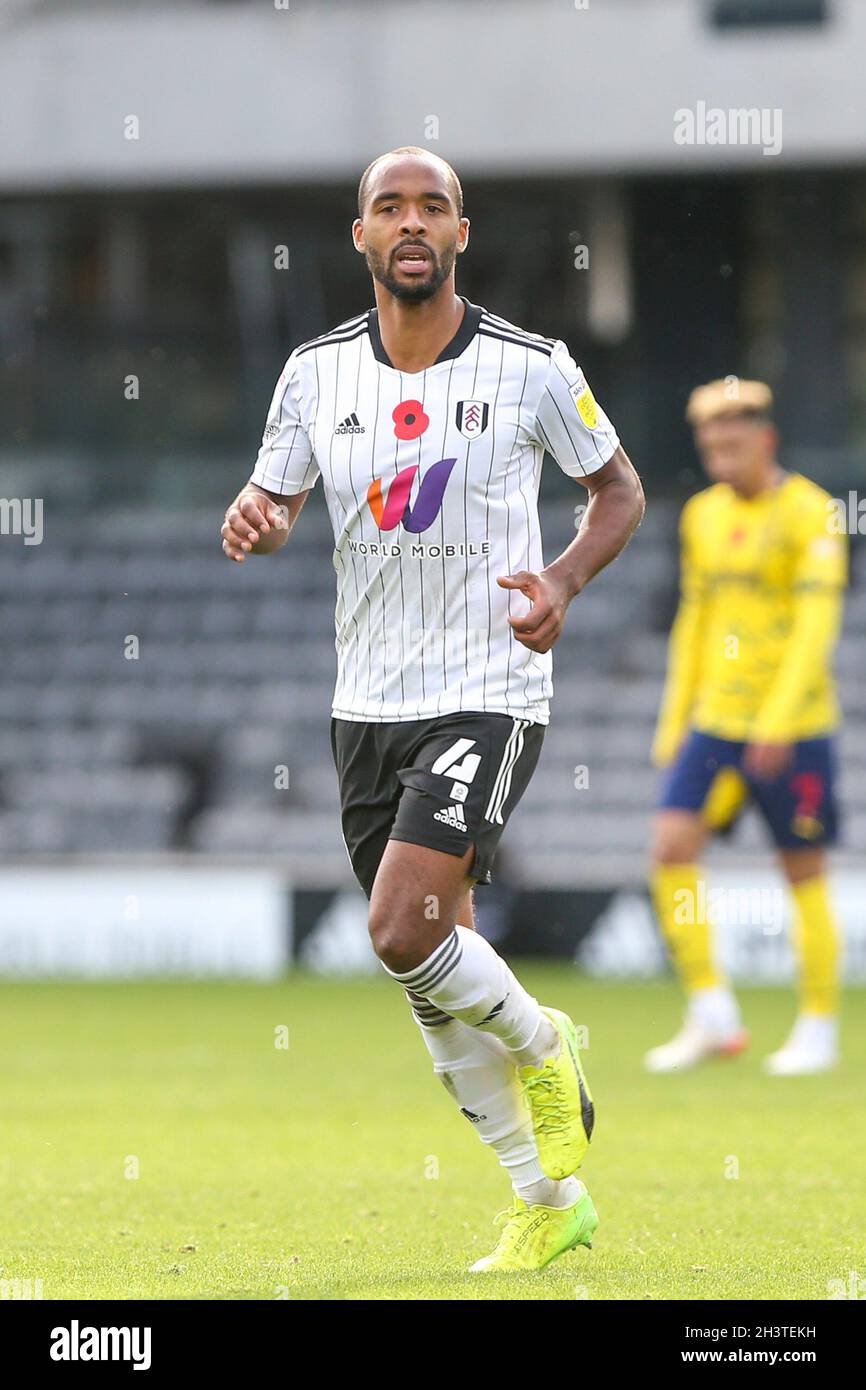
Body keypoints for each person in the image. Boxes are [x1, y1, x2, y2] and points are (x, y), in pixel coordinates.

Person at [221, 146, 644, 1270]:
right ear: (358, 235)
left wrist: (558, 580)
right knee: (424, 966)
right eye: (388, 207)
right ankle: (546, 1198)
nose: (410, 223)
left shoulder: (530, 366)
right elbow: (272, 493)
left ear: (462, 232)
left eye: (432, 207)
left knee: (401, 926)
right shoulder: (313, 374)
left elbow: (617, 489)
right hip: (365, 702)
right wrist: (256, 515)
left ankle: (547, 1046)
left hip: (488, 687)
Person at [647, 378, 847, 1075]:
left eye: (732, 443)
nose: (720, 457)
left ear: (766, 439)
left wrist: (778, 719)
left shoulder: (812, 513)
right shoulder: (701, 515)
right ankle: (711, 1012)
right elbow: (695, 621)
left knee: (802, 869)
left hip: (794, 725)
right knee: (670, 848)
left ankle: (819, 1024)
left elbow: (816, 628)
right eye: (709, 444)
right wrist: (676, 720)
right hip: (716, 720)